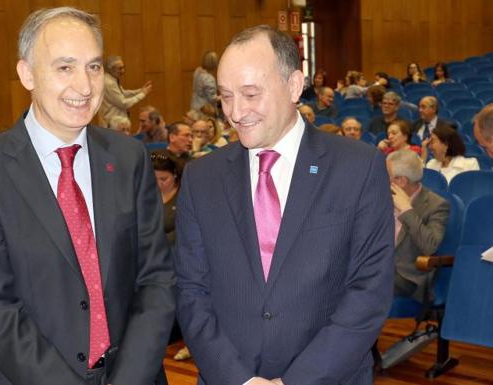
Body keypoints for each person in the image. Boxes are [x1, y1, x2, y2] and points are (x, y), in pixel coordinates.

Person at [0, 7, 175, 385]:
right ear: (27, 74)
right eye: (65, 67)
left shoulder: (129, 157)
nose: (85, 87)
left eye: (94, 67)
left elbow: (156, 279)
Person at [175, 25, 394, 385]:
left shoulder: (358, 167)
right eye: (226, 97)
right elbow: (190, 290)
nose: (236, 112)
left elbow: (368, 292)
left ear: (294, 86)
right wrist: (238, 379)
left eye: (250, 94)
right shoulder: (201, 178)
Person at [386, 150, 449, 301]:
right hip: (377, 267)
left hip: (407, 276)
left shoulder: (436, 205)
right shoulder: (380, 197)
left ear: (401, 181)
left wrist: (407, 210)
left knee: (366, 285)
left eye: (386, 175)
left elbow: (430, 245)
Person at [99, 55, 152, 127]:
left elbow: (122, 93)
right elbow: (124, 103)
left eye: (123, 67)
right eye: (120, 68)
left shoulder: (112, 79)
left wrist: (140, 90)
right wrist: (142, 94)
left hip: (116, 123)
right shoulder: (109, 83)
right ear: (111, 69)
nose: (123, 71)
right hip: (114, 125)